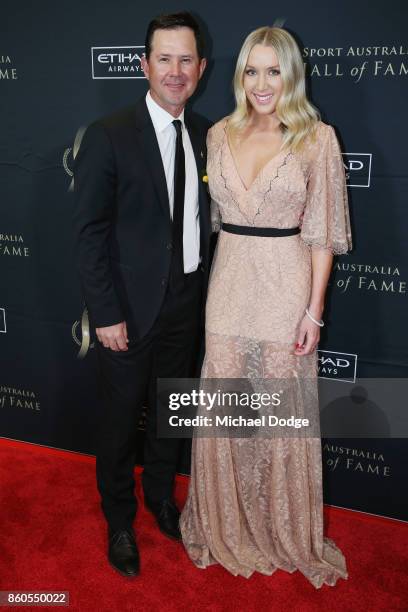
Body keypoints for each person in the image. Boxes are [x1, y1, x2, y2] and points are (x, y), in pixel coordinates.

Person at [180, 26, 352, 588]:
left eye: (273, 71)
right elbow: (207, 221)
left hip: (286, 288)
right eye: (252, 70)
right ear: (238, 77)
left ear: (291, 76)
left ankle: (282, 528)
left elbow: (323, 235)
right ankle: (226, 521)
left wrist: (314, 310)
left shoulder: (316, 138)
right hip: (228, 287)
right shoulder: (218, 134)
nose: (261, 83)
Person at [73, 12, 211, 578]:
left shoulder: (207, 135)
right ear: (144, 64)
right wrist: (104, 313)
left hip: (187, 301)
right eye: (164, 59)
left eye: (186, 60)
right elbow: (88, 234)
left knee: (171, 412)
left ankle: (160, 499)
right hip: (126, 309)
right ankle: (120, 520)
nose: (175, 71)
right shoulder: (109, 134)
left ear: (200, 69)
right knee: (119, 418)